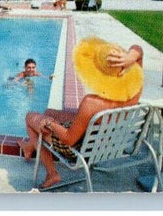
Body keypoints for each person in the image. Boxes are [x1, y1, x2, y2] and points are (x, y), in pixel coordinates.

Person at [19, 37, 144, 190]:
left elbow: (68, 140)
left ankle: (52, 174)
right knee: (49, 112)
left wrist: (49, 123)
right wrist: (130, 57)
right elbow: (138, 50)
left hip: (78, 148)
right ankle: (29, 147)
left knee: (31, 118)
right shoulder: (133, 94)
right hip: (103, 143)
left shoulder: (91, 103)